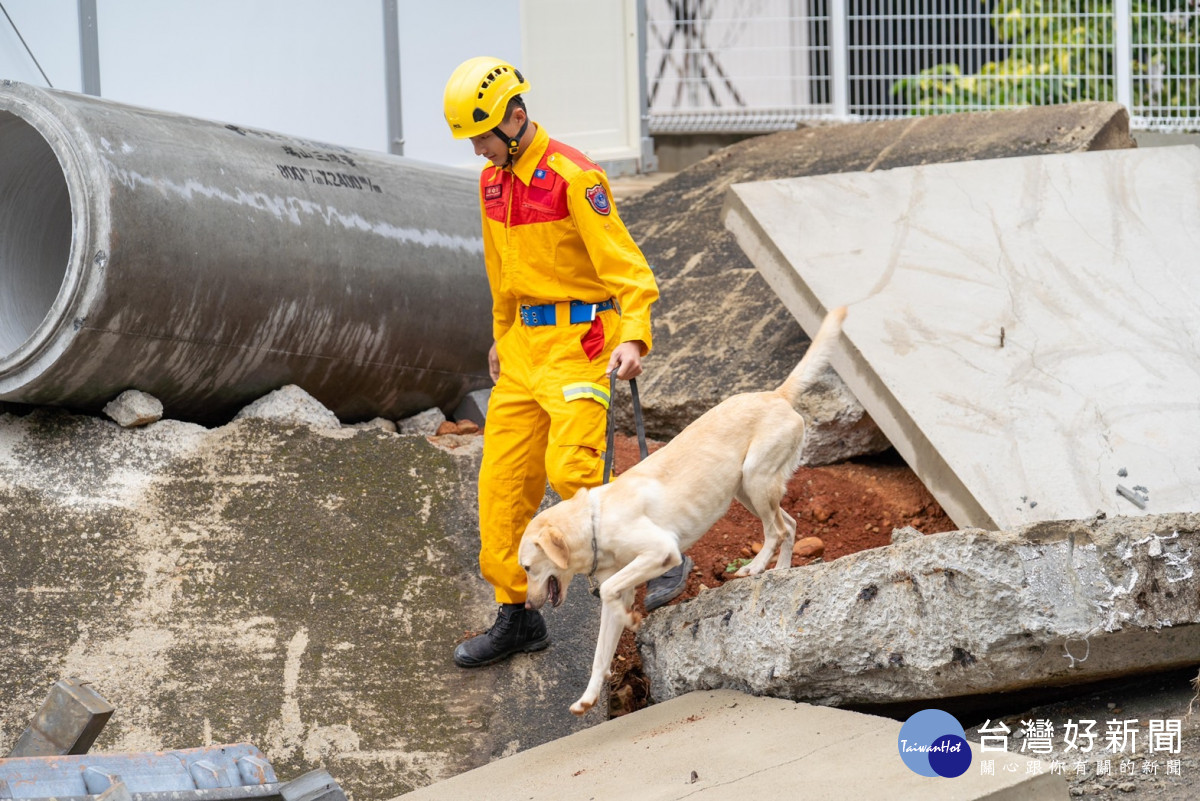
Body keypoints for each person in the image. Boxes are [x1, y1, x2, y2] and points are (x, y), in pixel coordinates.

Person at [443, 56, 692, 668]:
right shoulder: (492, 183)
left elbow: (626, 267)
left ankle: (665, 553)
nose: (476, 150)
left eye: (481, 136)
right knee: (501, 488)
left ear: (516, 118)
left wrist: (633, 335)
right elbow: (500, 273)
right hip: (525, 353)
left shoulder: (575, 178)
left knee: (572, 471)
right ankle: (517, 617)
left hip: (582, 345)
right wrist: (502, 334)